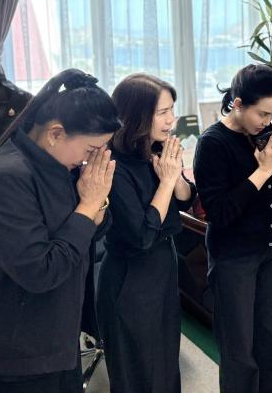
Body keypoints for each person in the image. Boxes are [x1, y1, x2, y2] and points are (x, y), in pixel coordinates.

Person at [0, 68, 120, 393]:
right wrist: (89, 205)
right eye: (92, 149)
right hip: (17, 349)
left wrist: (96, 203)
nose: (95, 159)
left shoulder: (59, 165)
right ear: (55, 134)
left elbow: (90, 233)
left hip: (57, 335)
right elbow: (41, 271)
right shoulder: (5, 178)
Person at [193, 64, 272, 392]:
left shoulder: (264, 131)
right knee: (239, 351)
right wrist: (263, 171)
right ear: (238, 104)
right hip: (234, 257)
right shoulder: (212, 143)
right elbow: (219, 212)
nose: (268, 121)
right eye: (262, 114)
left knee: (271, 342)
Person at [97, 74, 194, 393]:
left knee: (165, 365)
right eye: (163, 112)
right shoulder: (113, 165)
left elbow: (186, 199)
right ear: (137, 116)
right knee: (138, 374)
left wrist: (175, 174)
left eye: (172, 110)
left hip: (162, 269)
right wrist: (165, 182)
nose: (171, 120)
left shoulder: (156, 149)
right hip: (130, 280)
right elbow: (142, 235)